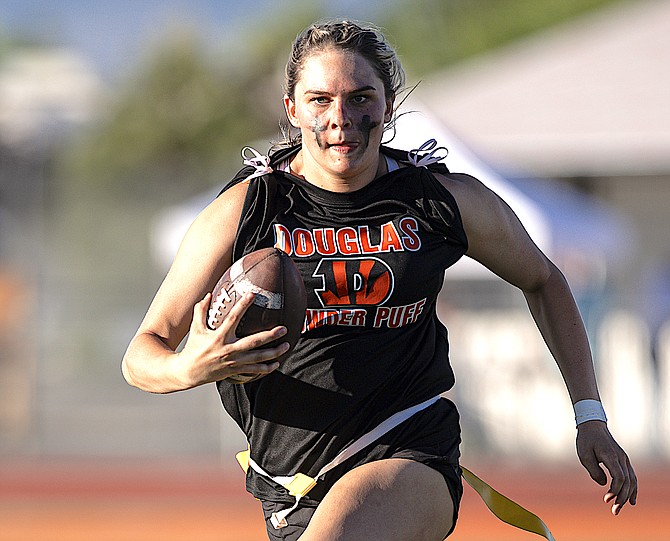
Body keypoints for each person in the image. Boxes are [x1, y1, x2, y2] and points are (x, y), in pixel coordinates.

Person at [122, 20, 637, 541]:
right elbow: (143, 353)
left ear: (387, 105)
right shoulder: (247, 210)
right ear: (292, 109)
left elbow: (544, 279)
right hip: (288, 488)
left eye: (360, 97)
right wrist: (190, 365)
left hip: (408, 452)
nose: (340, 118)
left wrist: (589, 414)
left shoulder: (439, 199)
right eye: (320, 99)